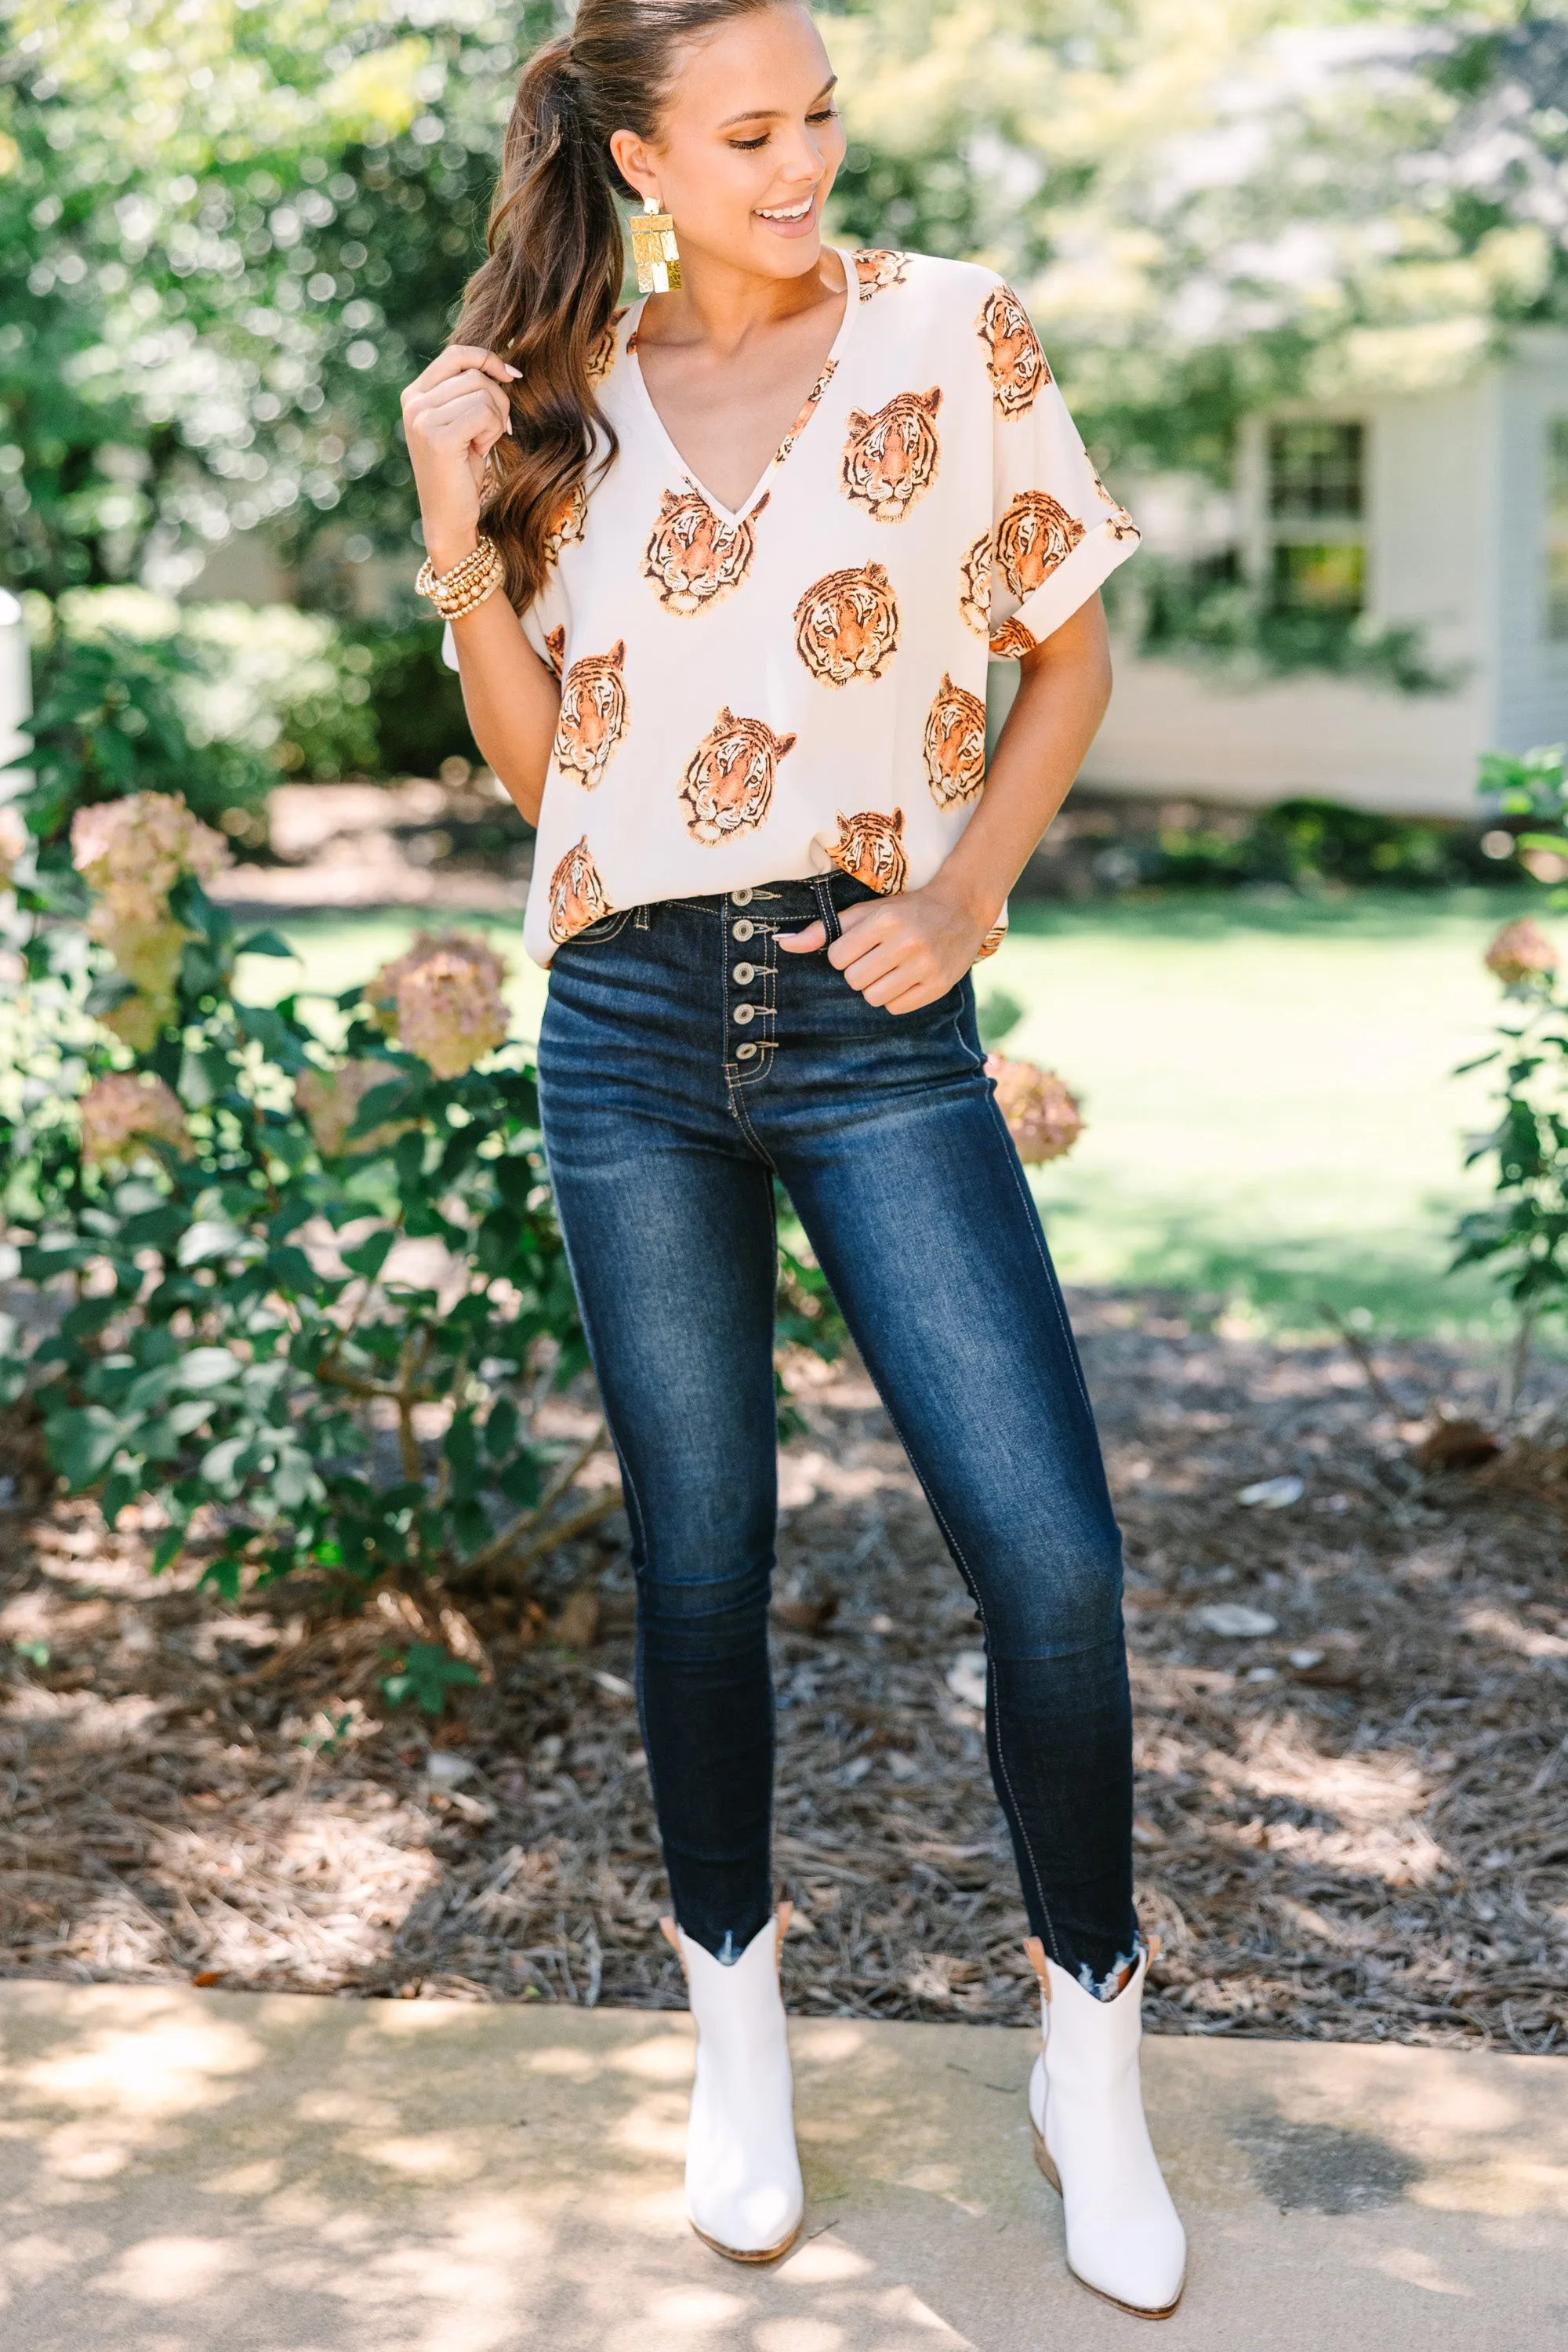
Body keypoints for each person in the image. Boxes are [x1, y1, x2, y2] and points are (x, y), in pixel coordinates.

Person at [400, 0, 1184, 2318]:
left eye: (821, 112)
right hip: (627, 1023)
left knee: (1052, 1560)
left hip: (872, 1011)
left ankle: (1091, 2063)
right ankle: (736, 2041)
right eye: (750, 129)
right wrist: (459, 526)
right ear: (636, 156)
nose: (806, 157)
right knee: (703, 1564)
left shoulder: (951, 337)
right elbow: (547, 765)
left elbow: (1066, 655)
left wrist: (966, 901)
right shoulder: (557, 403)